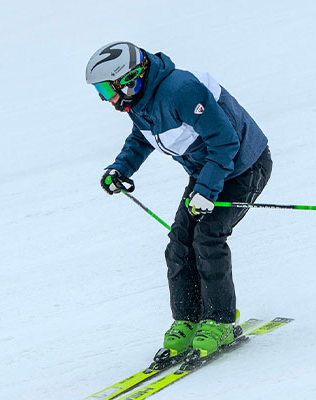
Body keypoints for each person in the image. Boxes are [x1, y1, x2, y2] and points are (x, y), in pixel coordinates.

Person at [85, 42, 272, 359]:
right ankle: (188, 319)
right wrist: (120, 168)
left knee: (208, 237)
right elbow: (141, 138)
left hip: (243, 167)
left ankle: (220, 321)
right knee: (179, 243)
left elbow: (225, 142)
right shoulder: (140, 102)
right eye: (100, 91)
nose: (106, 99)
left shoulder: (181, 90)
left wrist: (208, 191)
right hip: (208, 172)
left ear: (128, 78)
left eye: (106, 88)